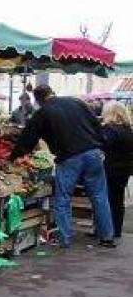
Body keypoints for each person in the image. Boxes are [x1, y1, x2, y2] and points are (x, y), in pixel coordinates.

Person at [9, 85, 115, 248]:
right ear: (52, 93)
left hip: (69, 158)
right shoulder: (77, 102)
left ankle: (65, 238)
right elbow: (97, 124)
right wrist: (100, 145)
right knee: (99, 196)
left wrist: (14, 156)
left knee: (63, 198)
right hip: (93, 153)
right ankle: (107, 236)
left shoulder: (43, 112)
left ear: (38, 99)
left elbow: (28, 137)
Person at [100, 102, 133, 239]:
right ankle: (116, 230)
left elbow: (101, 145)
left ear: (110, 113)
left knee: (106, 200)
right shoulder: (128, 130)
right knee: (118, 201)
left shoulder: (109, 130)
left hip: (110, 169)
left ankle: (106, 230)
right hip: (125, 170)